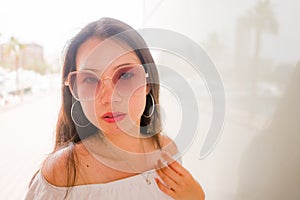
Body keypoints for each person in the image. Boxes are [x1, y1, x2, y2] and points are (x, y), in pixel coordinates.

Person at [25, 17, 205, 200]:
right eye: (89, 79)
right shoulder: (61, 173)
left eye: (125, 75)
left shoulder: (167, 151)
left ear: (148, 82)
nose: (109, 98)